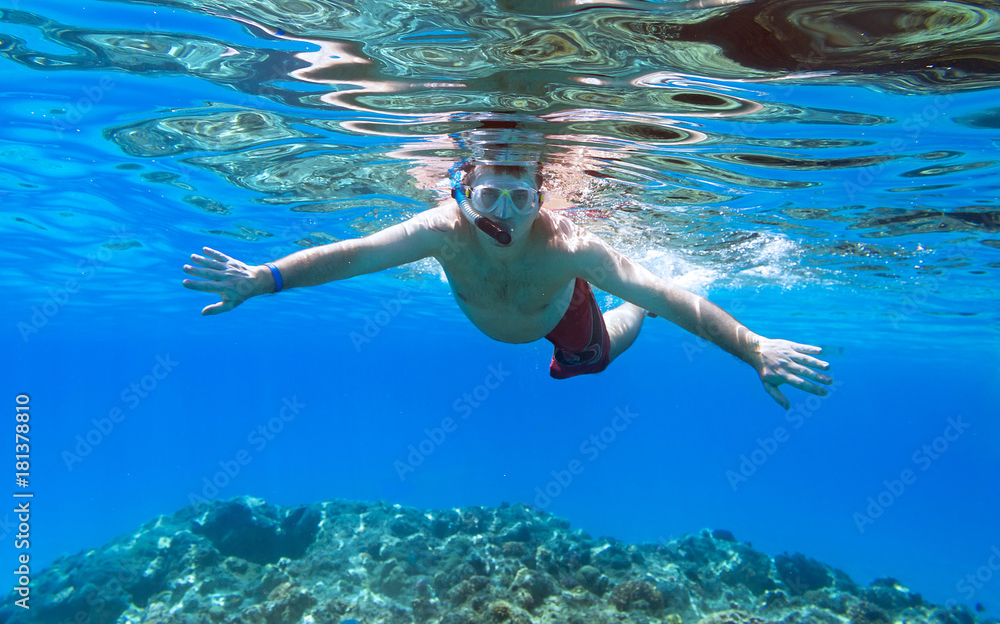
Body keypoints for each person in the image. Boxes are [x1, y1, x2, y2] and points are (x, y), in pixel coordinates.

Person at [182, 160, 832, 408]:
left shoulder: (571, 248)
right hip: (518, 311)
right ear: (464, 192)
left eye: (521, 196)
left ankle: (623, 321)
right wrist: (260, 279)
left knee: (594, 356)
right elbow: (351, 256)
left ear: (542, 195)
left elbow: (669, 295)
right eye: (490, 194)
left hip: (560, 308)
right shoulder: (442, 230)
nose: (505, 214)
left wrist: (753, 347)